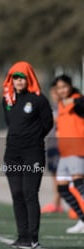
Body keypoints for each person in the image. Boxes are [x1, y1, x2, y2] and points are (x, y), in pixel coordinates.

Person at [2, 61, 53, 249]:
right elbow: (10, 122)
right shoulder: (7, 100)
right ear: (11, 79)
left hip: (33, 153)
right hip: (12, 153)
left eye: (22, 77)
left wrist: (34, 138)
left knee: (30, 193)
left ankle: (33, 237)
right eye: (16, 77)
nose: (19, 81)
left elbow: (48, 123)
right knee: (16, 194)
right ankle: (22, 236)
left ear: (29, 78)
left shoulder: (39, 99)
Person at [52, 74, 84, 233]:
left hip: (76, 149)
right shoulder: (61, 104)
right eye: (59, 88)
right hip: (64, 153)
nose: (62, 90)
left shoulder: (76, 100)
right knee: (62, 188)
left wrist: (75, 100)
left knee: (79, 184)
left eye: (64, 87)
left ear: (70, 86)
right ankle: (82, 220)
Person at [41, 84, 63, 214]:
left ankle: (60, 201)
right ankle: (57, 202)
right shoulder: (51, 107)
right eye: (53, 92)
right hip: (51, 144)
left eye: (56, 92)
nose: (55, 95)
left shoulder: (65, 107)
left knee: (64, 175)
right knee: (55, 175)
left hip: (62, 145)